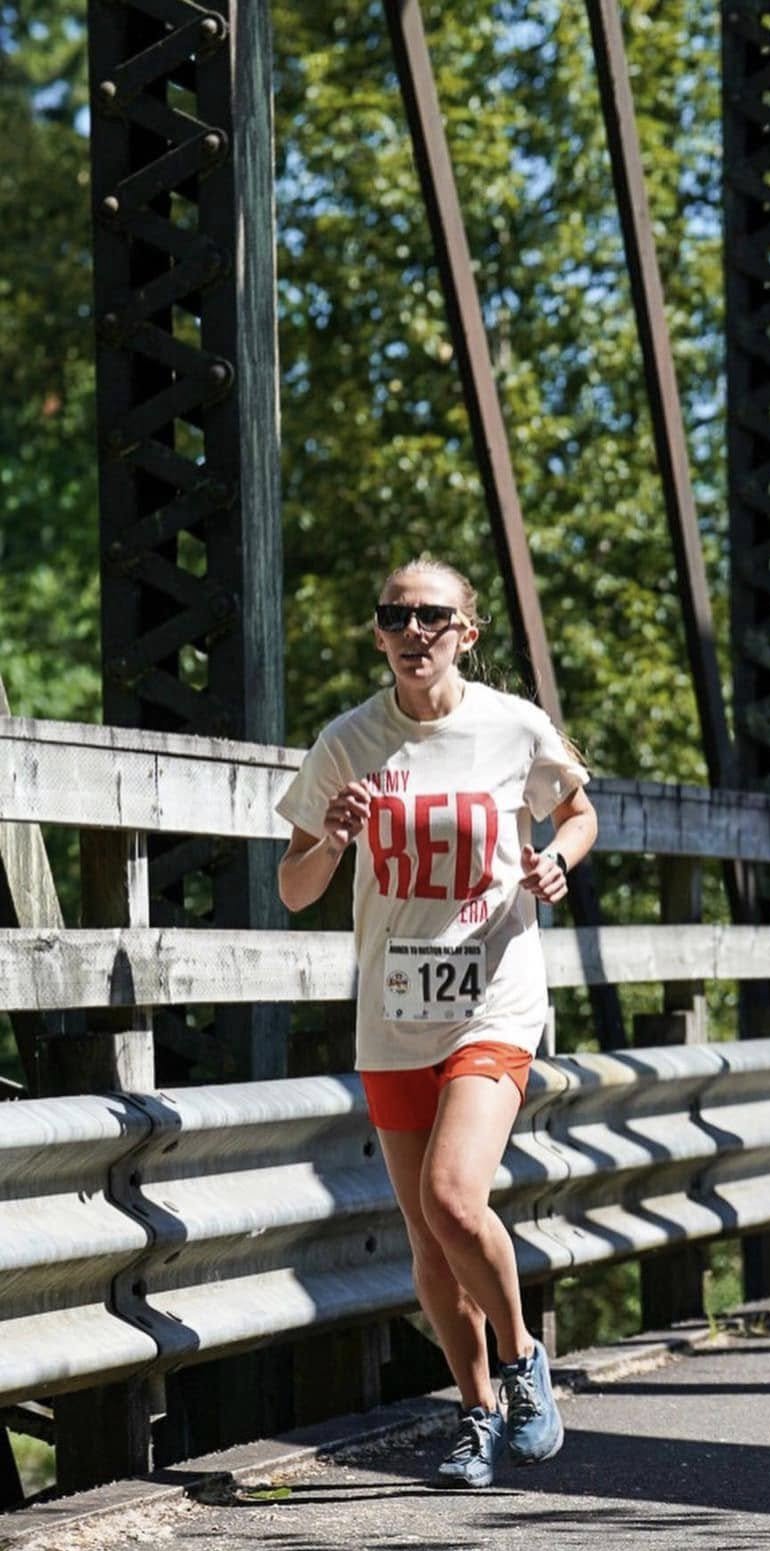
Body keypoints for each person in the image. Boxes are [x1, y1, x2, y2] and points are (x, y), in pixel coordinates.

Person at [276, 554, 597, 1485]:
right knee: (427, 1237)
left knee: (455, 1197)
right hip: (393, 1013)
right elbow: (296, 892)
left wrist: (558, 862)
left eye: (433, 617)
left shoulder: (512, 727)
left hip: (493, 997)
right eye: (396, 617)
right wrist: (332, 838)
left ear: (468, 632)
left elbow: (578, 812)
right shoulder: (348, 741)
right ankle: (478, 1412)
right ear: (378, 634)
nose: (414, 632)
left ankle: (523, 1357)